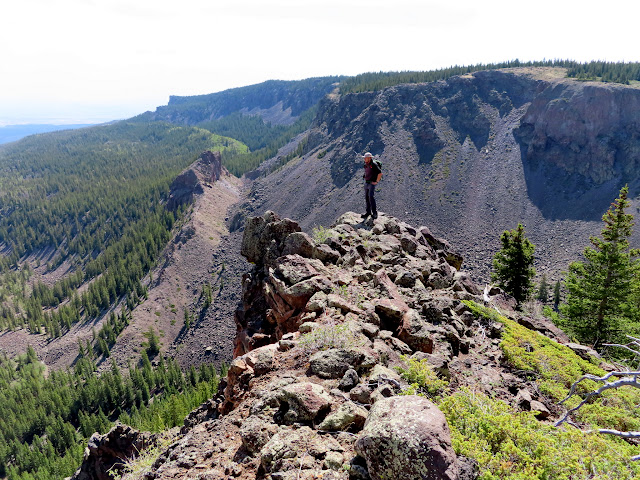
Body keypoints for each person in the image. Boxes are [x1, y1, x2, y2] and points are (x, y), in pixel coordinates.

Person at [361, 152, 382, 220]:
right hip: (367, 182)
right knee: (367, 198)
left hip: (371, 183)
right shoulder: (366, 164)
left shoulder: (374, 164)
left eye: (365, 158)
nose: (364, 159)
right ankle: (368, 212)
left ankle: (375, 213)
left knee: (371, 197)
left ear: (369, 158)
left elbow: (380, 173)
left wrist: (376, 181)